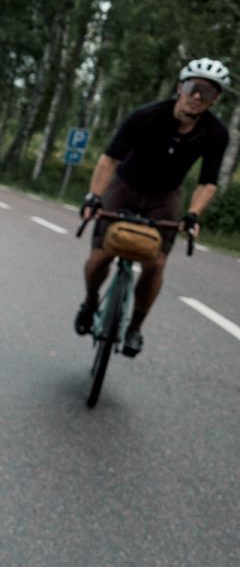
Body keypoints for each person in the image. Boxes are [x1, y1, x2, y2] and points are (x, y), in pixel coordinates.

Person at [75, 58, 230, 357]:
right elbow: (109, 159)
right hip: (125, 187)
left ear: (215, 100)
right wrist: (94, 197)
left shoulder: (216, 133)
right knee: (102, 254)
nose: (198, 96)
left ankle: (134, 327)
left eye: (207, 93)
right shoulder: (145, 116)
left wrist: (193, 213)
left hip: (165, 196)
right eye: (193, 88)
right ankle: (91, 301)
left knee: (156, 263)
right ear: (180, 88)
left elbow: (207, 182)